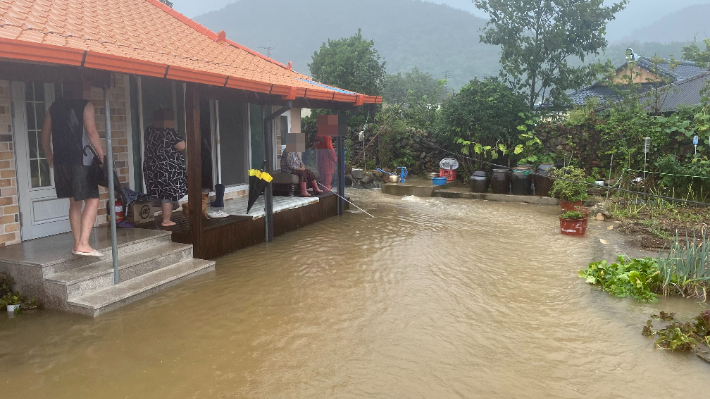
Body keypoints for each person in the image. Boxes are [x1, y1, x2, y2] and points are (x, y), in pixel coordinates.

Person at [41, 81, 104, 257]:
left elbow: (45, 134)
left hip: (62, 161)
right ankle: (83, 244)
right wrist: (102, 156)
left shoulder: (54, 107)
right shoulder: (86, 104)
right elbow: (91, 133)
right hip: (81, 160)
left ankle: (77, 244)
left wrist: (49, 155)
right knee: (92, 200)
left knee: (74, 203)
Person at [143, 109, 187, 227]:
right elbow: (181, 146)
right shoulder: (169, 131)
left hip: (151, 166)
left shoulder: (149, 130)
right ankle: (166, 220)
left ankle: (163, 215)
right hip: (167, 168)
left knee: (159, 191)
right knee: (167, 193)